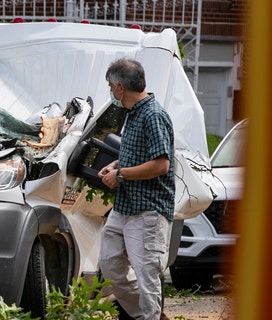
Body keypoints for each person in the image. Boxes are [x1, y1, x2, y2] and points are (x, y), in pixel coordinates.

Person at [97, 58, 175, 320]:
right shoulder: (133, 113)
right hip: (125, 206)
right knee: (110, 265)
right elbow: (139, 154)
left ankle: (151, 315)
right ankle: (147, 315)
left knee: (147, 274)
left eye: (110, 85)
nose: (110, 91)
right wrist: (116, 165)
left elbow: (162, 164)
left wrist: (120, 174)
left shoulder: (153, 115)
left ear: (120, 87)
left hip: (148, 209)